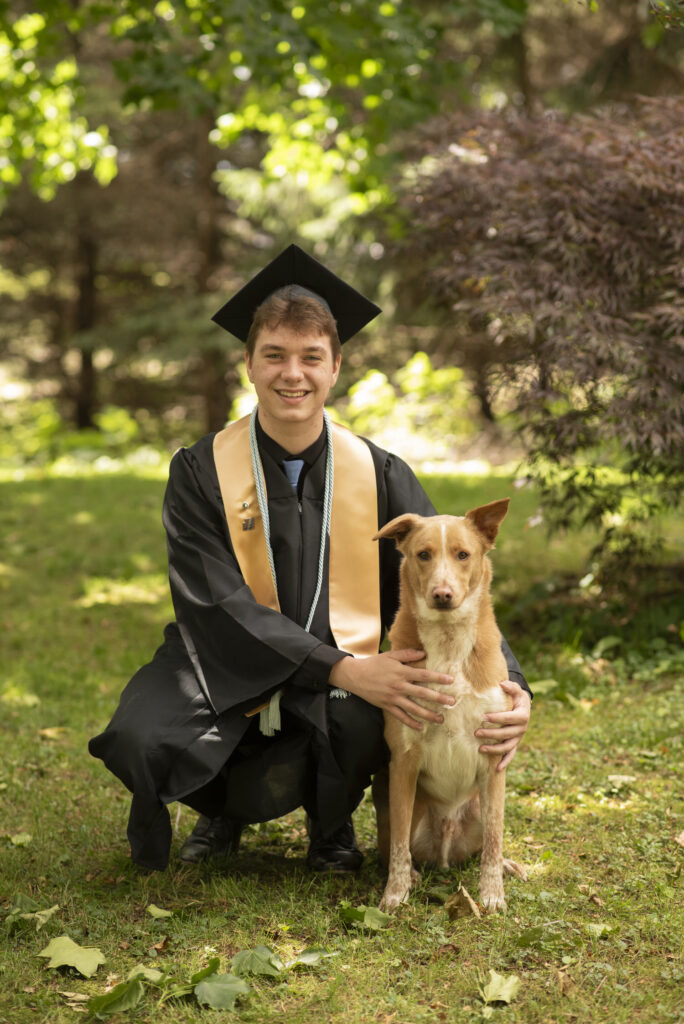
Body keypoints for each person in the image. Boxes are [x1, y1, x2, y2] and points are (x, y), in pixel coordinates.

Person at [89, 244, 531, 873]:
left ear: (335, 368)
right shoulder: (199, 472)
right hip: (227, 660)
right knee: (144, 734)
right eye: (273, 355)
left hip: (343, 677)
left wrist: (514, 689)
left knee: (377, 703)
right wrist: (337, 668)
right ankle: (222, 814)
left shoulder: (378, 472)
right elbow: (213, 600)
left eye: (309, 358)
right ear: (248, 364)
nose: (291, 373)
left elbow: (457, 577)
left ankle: (332, 828)